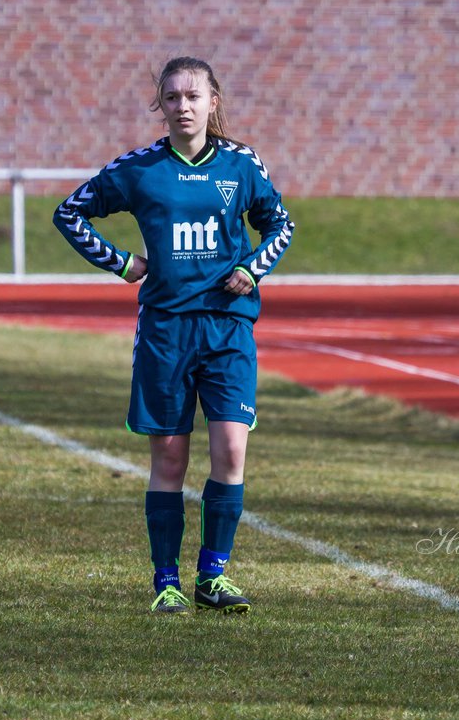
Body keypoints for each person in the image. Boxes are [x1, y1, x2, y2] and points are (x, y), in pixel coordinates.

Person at [53, 56, 295, 614]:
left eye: (193, 96)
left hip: (227, 327)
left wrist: (253, 269)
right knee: (169, 456)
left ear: (214, 102)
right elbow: (70, 214)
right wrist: (121, 263)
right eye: (172, 98)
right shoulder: (140, 170)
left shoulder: (241, 164)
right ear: (159, 106)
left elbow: (280, 223)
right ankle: (166, 582)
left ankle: (214, 575)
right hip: (165, 329)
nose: (183, 107)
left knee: (231, 448)